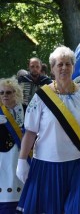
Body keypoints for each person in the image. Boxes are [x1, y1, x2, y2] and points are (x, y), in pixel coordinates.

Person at [16, 46, 80, 213]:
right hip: (47, 164)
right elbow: (30, 132)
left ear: (73, 67)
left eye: (68, 64)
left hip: (79, 163)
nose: (64, 68)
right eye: (59, 64)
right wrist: (21, 161)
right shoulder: (41, 96)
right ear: (53, 69)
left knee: (74, 209)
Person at [0, 77, 26, 213]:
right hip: (2, 160)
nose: (5, 95)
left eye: (8, 92)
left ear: (16, 93)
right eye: (2, 92)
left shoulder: (27, 110)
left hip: (21, 158)